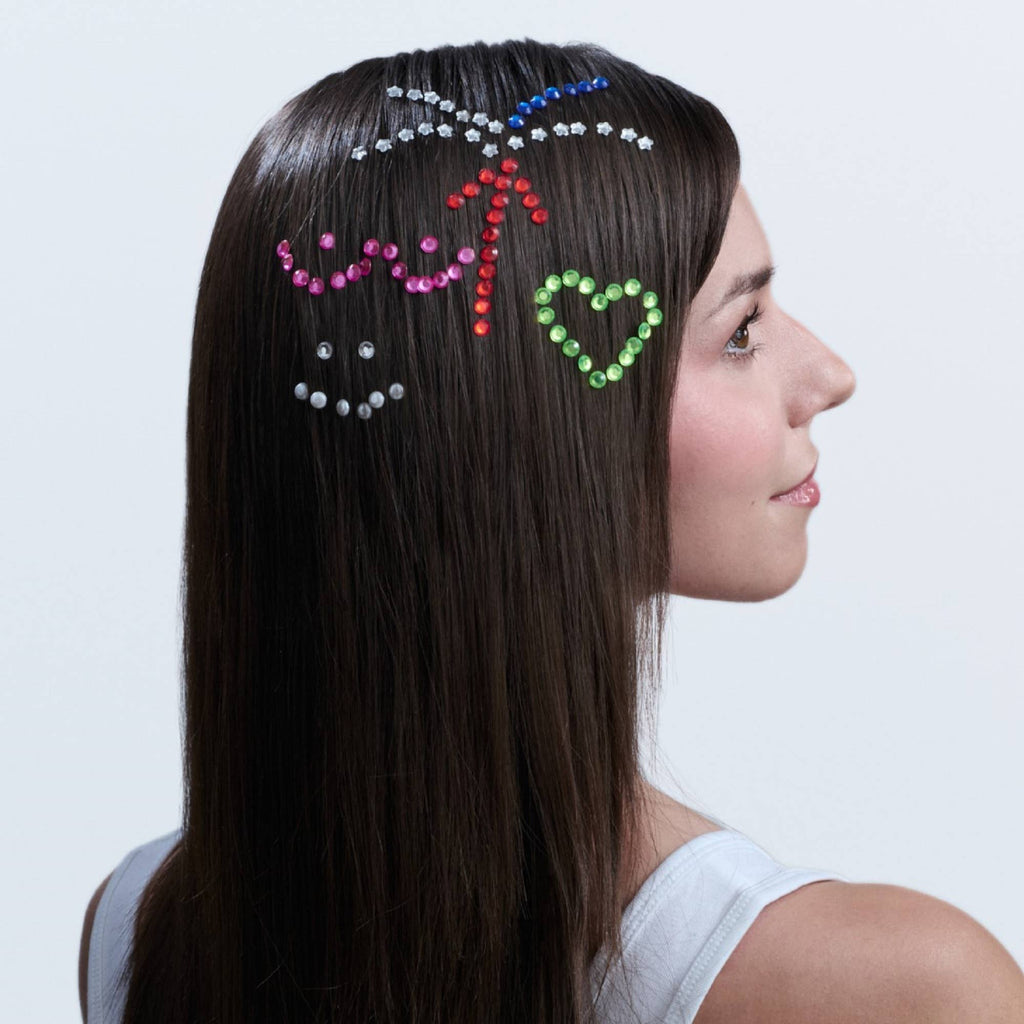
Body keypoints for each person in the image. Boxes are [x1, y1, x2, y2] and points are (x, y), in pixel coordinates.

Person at [78, 37, 1024, 1024]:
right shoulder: (902, 992)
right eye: (741, 330)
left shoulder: (133, 935)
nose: (830, 375)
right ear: (523, 421)